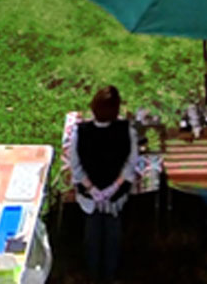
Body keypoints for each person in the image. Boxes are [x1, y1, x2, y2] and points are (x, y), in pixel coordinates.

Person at [70, 86, 138, 283]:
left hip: (90, 196)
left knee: (92, 234)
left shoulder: (80, 133)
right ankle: (109, 275)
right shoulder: (128, 131)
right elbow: (130, 165)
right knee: (113, 235)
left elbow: (75, 167)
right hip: (115, 195)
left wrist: (92, 189)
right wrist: (113, 188)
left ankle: (94, 275)